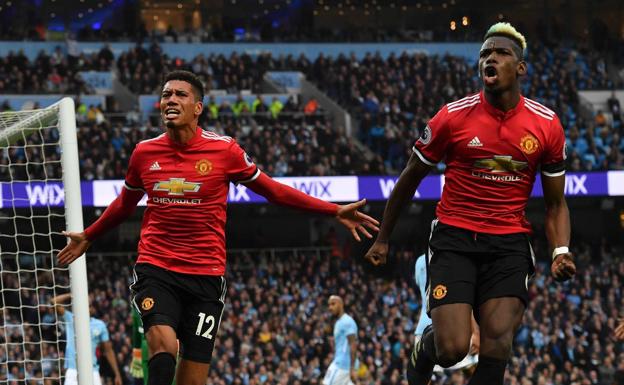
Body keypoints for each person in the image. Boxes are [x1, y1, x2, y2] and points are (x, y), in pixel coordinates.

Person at [57, 70, 379, 385]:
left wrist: (333, 210)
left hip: (206, 276)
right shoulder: (144, 153)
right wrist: (90, 234)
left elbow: (273, 191)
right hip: (157, 267)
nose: (170, 99)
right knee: (163, 344)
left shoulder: (224, 151)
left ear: (198, 108)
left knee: (192, 378)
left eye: (180, 94)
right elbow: (125, 203)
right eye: (166, 94)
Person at [364, 22, 576, 385]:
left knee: (496, 346)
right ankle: (422, 351)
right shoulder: (452, 116)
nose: (489, 58)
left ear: (520, 68)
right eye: (484, 54)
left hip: (508, 242)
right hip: (454, 238)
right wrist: (384, 237)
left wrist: (560, 250)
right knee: (453, 348)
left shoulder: (547, 125)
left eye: (500, 52)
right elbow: (409, 178)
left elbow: (557, 204)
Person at [414, 254, 479, 377]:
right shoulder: (451, 256)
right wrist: (475, 332)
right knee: (473, 372)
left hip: (423, 326)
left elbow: (420, 286)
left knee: (424, 376)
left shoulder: (419, 261)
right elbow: (463, 297)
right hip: (450, 325)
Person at [52, 293, 122, 385]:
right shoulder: (70, 318)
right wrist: (71, 295)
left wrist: (117, 374)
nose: (87, 308)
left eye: (89, 306)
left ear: (92, 308)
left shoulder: (100, 325)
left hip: (92, 371)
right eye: (85, 304)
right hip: (73, 370)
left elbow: (108, 350)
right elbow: (54, 301)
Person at [323, 295, 358, 385]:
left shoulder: (347, 321)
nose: (330, 307)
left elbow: (353, 345)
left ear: (341, 304)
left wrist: (352, 368)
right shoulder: (338, 322)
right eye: (329, 305)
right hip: (344, 362)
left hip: (342, 364)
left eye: (333, 304)